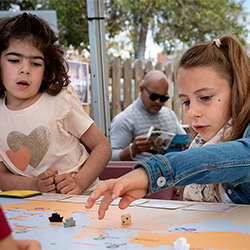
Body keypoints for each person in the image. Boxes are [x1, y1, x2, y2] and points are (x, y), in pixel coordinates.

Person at [86, 35, 250, 219]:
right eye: (186, 101)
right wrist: (134, 155)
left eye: (205, 97)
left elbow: (240, 155)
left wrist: (152, 173)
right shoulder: (125, 119)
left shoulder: (172, 117)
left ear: (237, 90)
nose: (192, 112)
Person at [0, 13, 112, 195]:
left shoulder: (60, 101)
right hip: (32, 208)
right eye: (14, 60)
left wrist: (79, 182)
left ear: (46, 70)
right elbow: (1, 176)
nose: (25, 70)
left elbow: (102, 147)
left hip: (85, 198)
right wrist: (35, 185)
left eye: (36, 63)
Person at [111, 70, 186, 161]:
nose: (158, 102)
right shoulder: (125, 119)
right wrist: (132, 151)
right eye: (153, 96)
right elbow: (111, 157)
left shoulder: (170, 115)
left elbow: (185, 142)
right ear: (142, 89)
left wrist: (186, 147)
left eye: (163, 98)